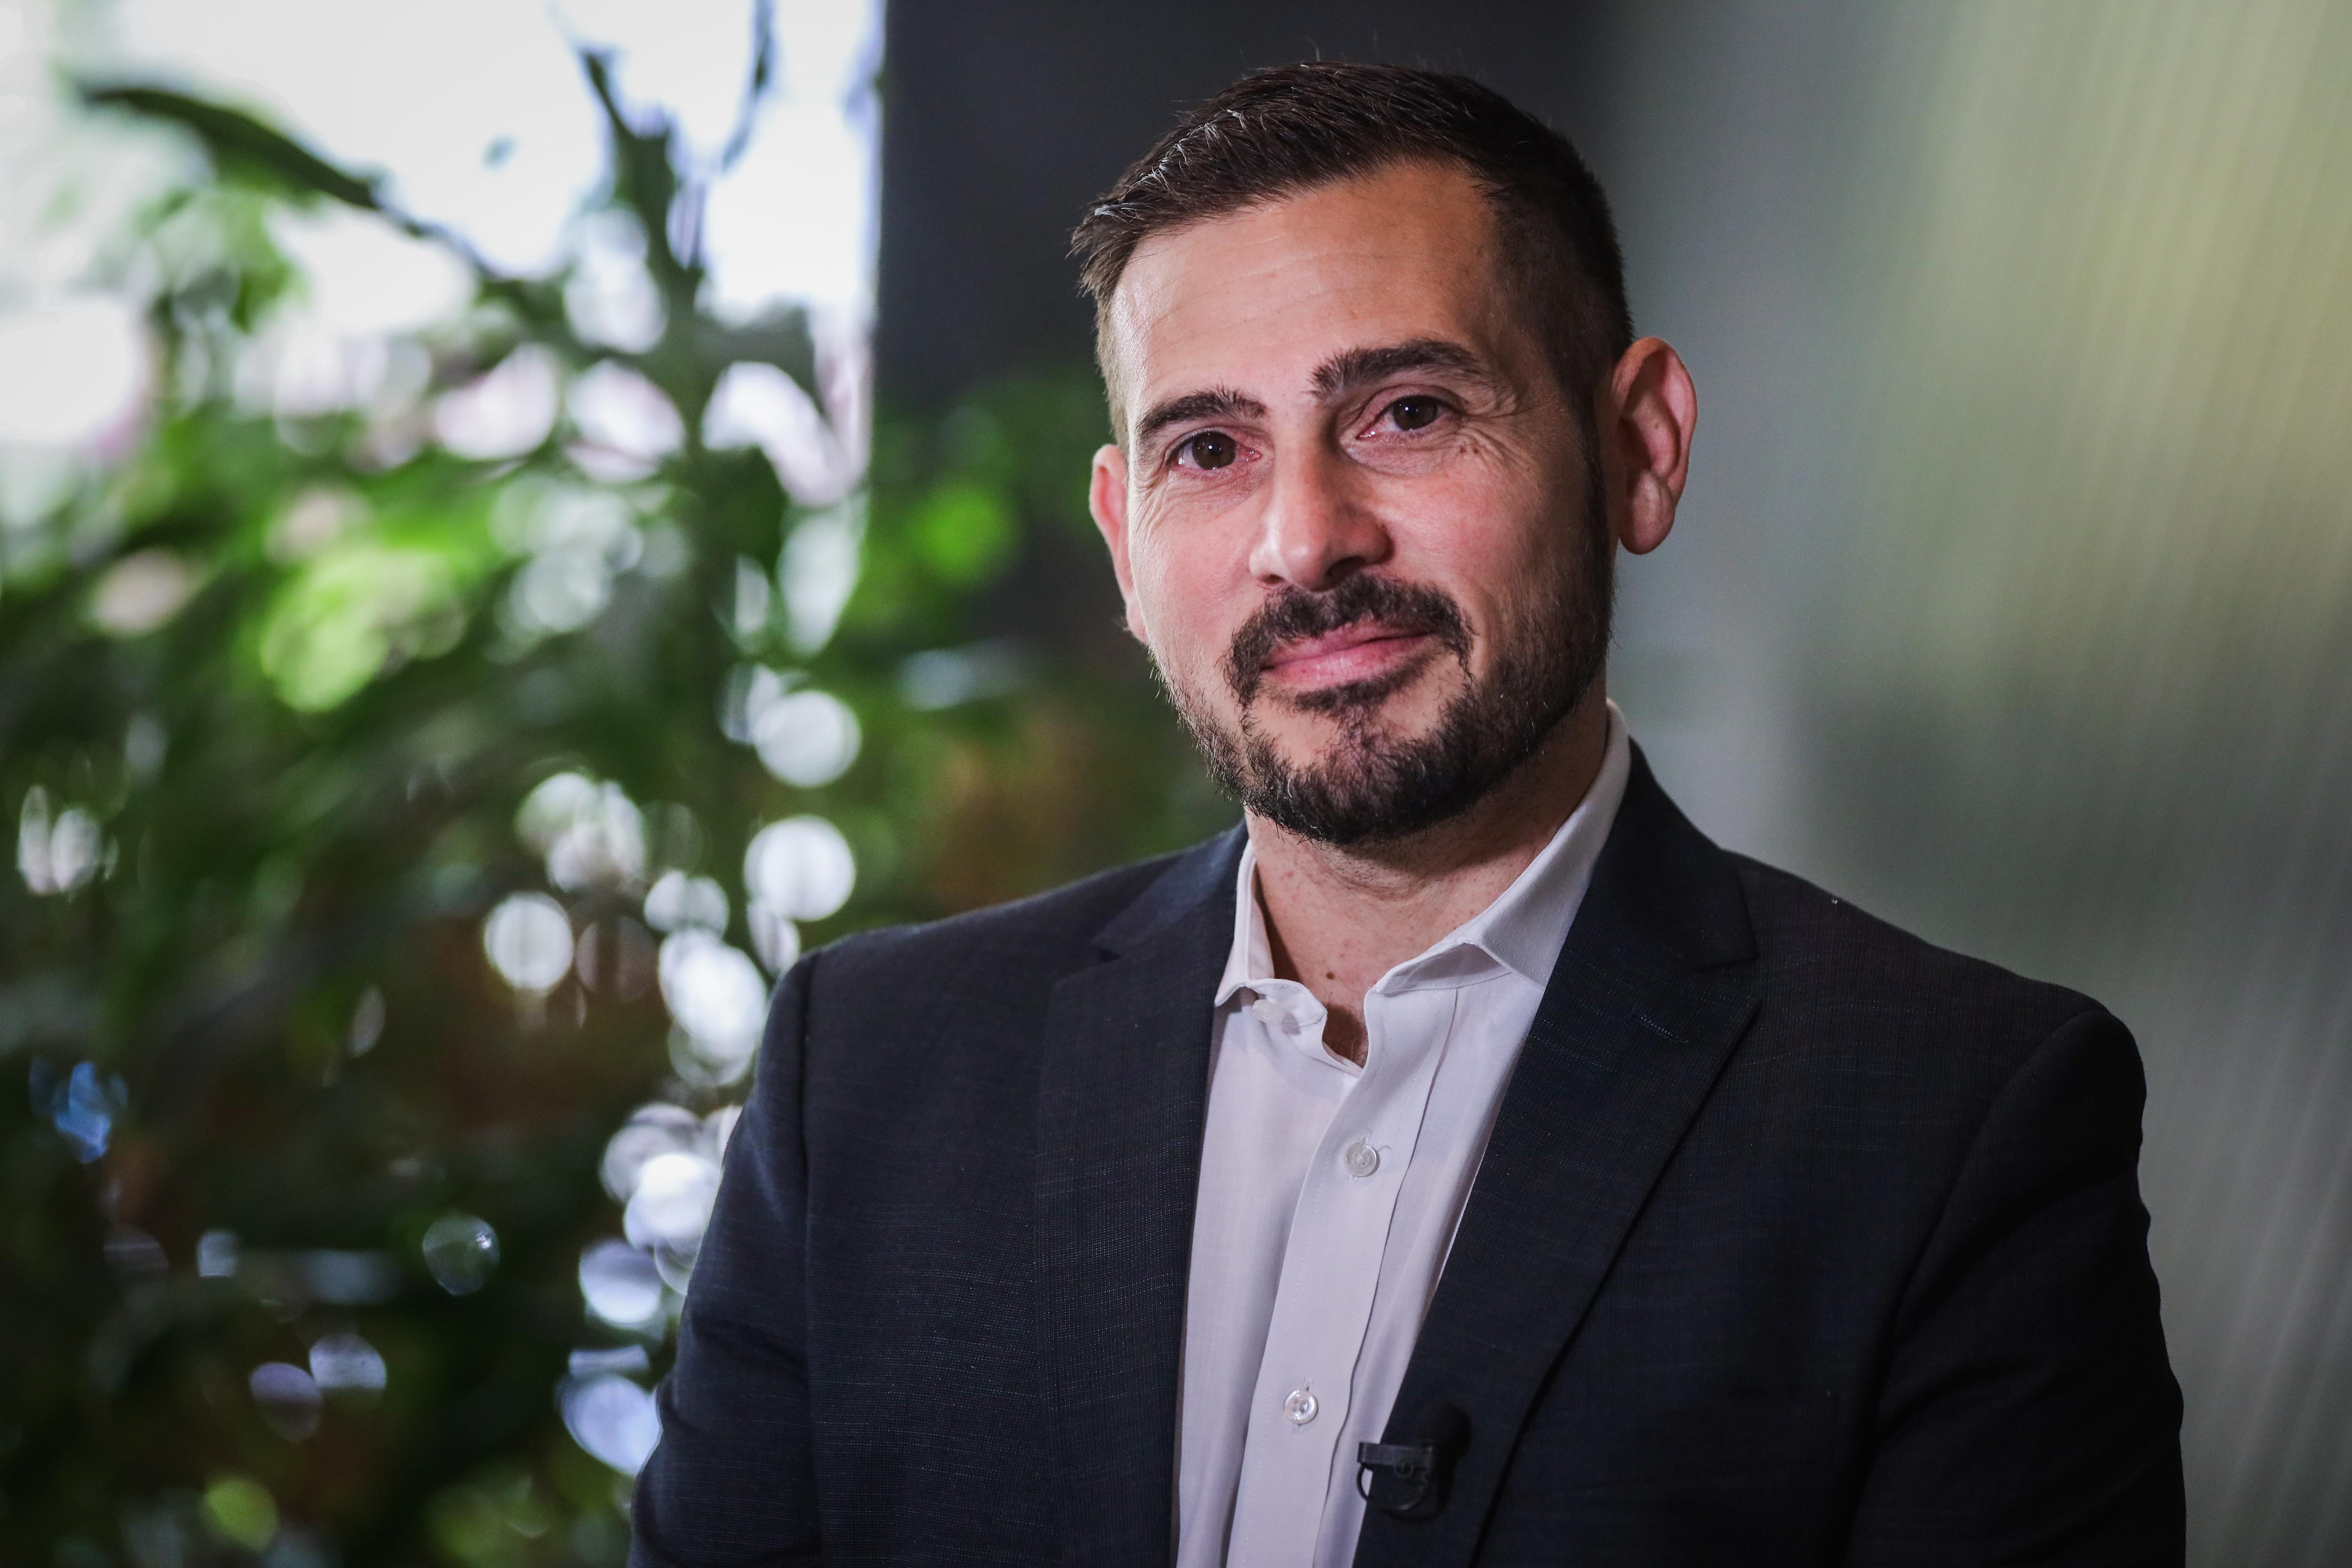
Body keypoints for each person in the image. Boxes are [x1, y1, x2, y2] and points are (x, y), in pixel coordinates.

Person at [629, 62, 2183, 1568]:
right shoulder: (872, 1077)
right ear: (1124, 539)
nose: (1306, 541)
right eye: (1211, 449)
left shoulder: (1960, 1124)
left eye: (1411, 412)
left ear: (1640, 449)